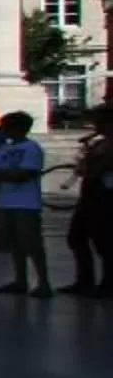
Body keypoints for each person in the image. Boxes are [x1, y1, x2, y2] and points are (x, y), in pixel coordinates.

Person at [0, 110, 53, 296]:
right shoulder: (2, 149)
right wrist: (10, 175)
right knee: (14, 243)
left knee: (32, 243)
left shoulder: (32, 148)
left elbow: (25, 174)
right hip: (5, 201)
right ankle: (20, 279)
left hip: (26, 203)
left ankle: (43, 281)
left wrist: (5, 175)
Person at [69, 106, 113, 297]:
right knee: (76, 237)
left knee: (105, 242)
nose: (96, 126)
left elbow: (98, 170)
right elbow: (83, 170)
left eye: (100, 122)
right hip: (90, 195)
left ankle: (108, 283)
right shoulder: (99, 144)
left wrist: (88, 165)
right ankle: (84, 280)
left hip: (107, 197)